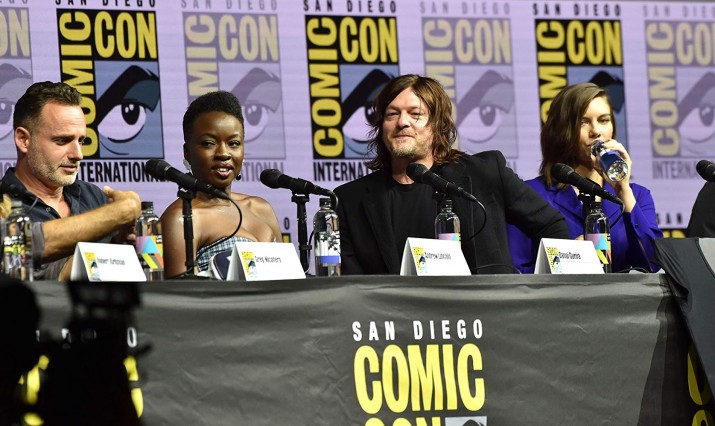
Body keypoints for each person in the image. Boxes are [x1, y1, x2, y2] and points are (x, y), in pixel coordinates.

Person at [333, 74, 570, 274]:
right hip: (395, 315)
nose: (402, 122)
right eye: (392, 114)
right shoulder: (349, 200)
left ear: (437, 124)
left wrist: (533, 293)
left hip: (484, 313)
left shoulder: (485, 173)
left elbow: (551, 226)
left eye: (415, 114)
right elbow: (352, 287)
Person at [508, 82, 663, 273]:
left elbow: (654, 264)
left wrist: (623, 190)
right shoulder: (530, 195)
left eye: (604, 120)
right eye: (583, 122)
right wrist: (568, 259)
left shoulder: (637, 196)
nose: (596, 131)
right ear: (562, 130)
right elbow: (516, 272)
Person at [4, 81, 142, 280]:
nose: (78, 154)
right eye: (62, 141)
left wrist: (117, 244)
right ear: (23, 140)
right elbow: (24, 249)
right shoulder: (4, 204)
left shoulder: (94, 197)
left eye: (81, 141)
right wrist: (118, 213)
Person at [160, 91, 281, 278]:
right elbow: (181, 294)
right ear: (187, 152)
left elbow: (290, 281)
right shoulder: (181, 219)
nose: (224, 153)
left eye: (234, 143)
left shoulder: (261, 208)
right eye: (209, 143)